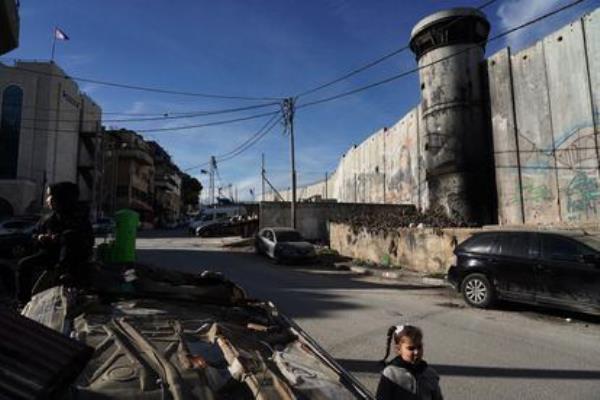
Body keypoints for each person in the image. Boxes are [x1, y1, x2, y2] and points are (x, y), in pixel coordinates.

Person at [17, 182, 93, 303]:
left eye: (50, 195)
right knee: (24, 264)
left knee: (71, 238)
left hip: (73, 261)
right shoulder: (48, 219)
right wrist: (40, 238)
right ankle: (23, 302)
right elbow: (33, 235)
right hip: (49, 255)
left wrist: (59, 238)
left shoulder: (79, 217)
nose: (48, 200)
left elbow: (83, 240)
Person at [376, 325, 443, 400]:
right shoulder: (391, 374)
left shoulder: (430, 374)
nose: (416, 352)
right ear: (398, 349)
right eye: (411, 348)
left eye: (419, 347)